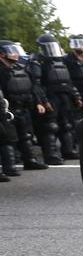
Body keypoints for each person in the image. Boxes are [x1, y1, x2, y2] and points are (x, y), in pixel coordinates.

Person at [29, 34, 83, 163]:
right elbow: (36, 84)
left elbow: (68, 81)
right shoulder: (37, 61)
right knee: (50, 126)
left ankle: (68, 150)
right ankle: (51, 155)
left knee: (67, 125)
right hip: (50, 96)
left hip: (64, 96)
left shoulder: (61, 61)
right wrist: (43, 101)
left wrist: (76, 96)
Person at [0, 40, 49, 171]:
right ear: (2, 54)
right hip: (7, 109)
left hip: (24, 107)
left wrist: (39, 102)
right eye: (11, 51)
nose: (15, 54)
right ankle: (9, 167)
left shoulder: (22, 67)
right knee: (7, 139)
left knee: (26, 135)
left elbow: (33, 87)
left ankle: (30, 161)